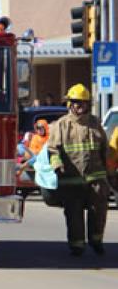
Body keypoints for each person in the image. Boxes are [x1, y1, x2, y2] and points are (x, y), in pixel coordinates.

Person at [47, 84, 113, 256]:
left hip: (96, 179)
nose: (79, 106)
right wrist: (57, 165)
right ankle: (77, 245)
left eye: (83, 102)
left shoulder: (95, 123)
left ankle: (96, 240)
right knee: (74, 214)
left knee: (99, 212)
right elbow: (53, 150)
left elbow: (105, 150)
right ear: (69, 104)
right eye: (75, 102)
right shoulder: (61, 126)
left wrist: (110, 174)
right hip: (71, 180)